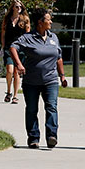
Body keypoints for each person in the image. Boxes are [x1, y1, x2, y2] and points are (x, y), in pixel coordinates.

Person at [10, 8, 68, 149]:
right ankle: (33, 138)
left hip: (51, 80)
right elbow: (13, 48)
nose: (51, 22)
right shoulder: (28, 38)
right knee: (32, 109)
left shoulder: (53, 38)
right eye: (48, 19)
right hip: (31, 82)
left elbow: (59, 58)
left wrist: (62, 76)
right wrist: (18, 64)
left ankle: (52, 136)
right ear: (40, 22)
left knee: (52, 107)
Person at [1, 0, 31, 104]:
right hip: (9, 48)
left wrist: (27, 48)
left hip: (20, 49)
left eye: (20, 7)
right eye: (17, 7)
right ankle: (9, 91)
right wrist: (3, 45)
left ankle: (15, 96)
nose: (19, 9)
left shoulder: (25, 19)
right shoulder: (7, 19)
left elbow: (28, 35)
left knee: (16, 72)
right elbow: (3, 33)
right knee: (9, 70)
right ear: (13, 8)